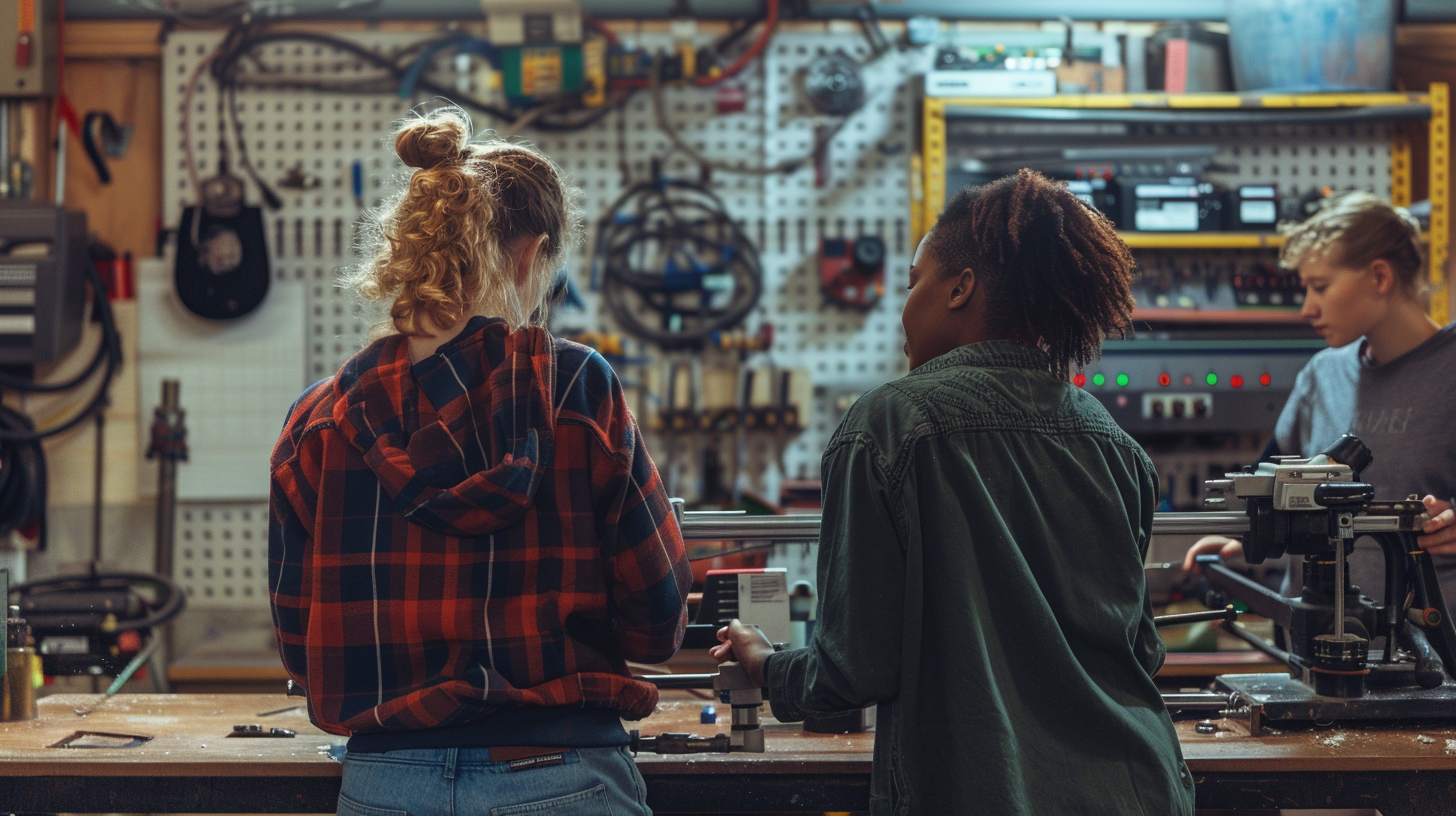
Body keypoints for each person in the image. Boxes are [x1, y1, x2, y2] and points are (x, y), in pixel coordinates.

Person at [712, 169, 1195, 815]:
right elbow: (1138, 650)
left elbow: (855, 669)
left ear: (960, 287)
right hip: (1139, 789)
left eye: (915, 284)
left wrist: (767, 666)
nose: (903, 309)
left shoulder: (888, 424)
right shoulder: (1114, 444)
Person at [268, 107, 691, 816]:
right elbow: (657, 622)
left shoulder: (319, 420)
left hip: (384, 785)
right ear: (529, 256)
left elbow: (300, 648)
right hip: (561, 772)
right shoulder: (578, 389)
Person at [1181, 192, 1456, 610]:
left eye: (1320, 287)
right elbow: (1273, 483)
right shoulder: (1321, 374)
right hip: (1313, 646)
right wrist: (1244, 540)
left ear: (1380, 277)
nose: (1308, 307)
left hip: (1429, 658)